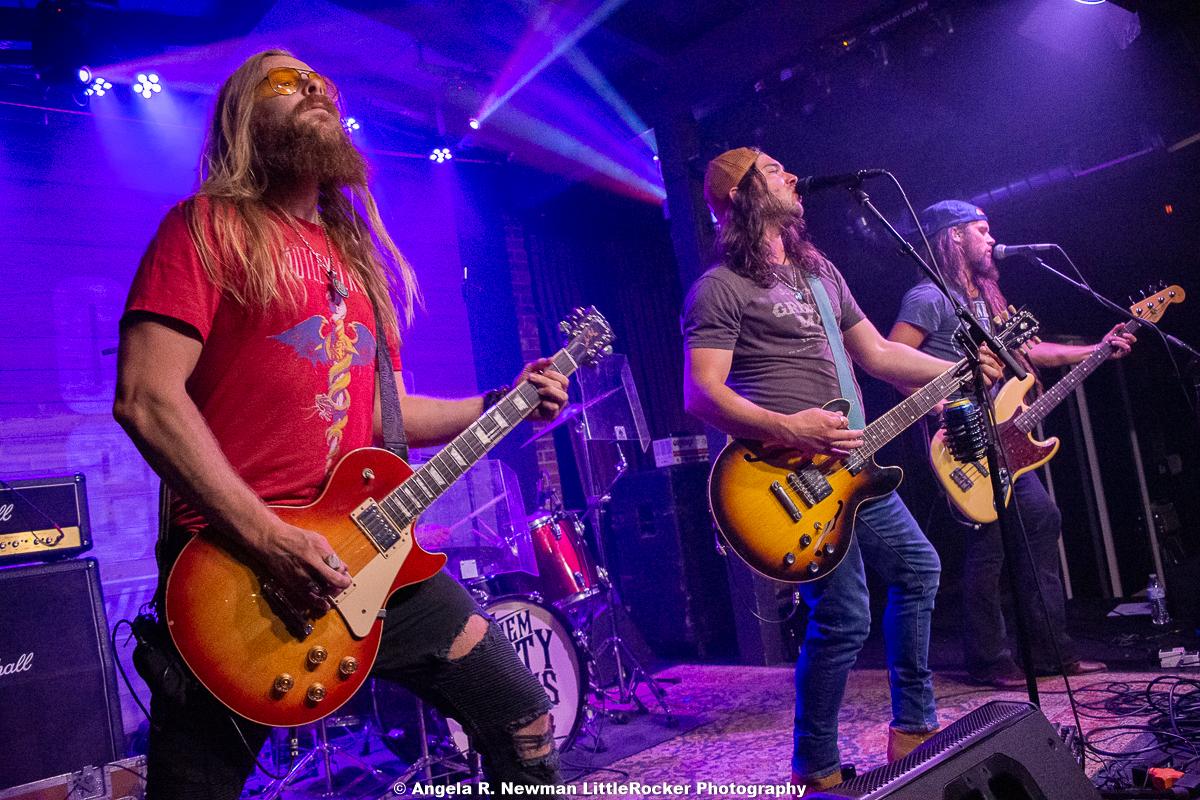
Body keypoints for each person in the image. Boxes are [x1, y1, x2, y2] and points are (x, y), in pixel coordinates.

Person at [113, 49, 569, 799]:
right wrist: (268, 538)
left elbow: (385, 417)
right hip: (236, 577)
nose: (313, 90)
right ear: (243, 115)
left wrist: (501, 402)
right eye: (286, 83)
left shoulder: (355, 264)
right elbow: (145, 396)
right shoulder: (204, 228)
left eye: (321, 83)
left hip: (366, 558)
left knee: (523, 715)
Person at [680, 149, 1002, 790]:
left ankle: (914, 727)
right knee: (845, 615)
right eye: (773, 170)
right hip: (786, 474)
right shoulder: (719, 287)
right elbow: (701, 393)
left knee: (918, 569)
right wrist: (787, 426)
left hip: (855, 463)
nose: (791, 175)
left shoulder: (818, 271)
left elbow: (877, 353)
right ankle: (816, 765)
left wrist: (959, 369)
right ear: (742, 195)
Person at [888, 199, 1133, 687]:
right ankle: (990, 660)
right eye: (981, 230)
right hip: (959, 440)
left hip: (1000, 435)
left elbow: (1029, 350)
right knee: (990, 543)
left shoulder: (985, 298)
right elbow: (892, 360)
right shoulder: (927, 297)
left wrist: (1097, 348)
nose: (992, 239)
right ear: (954, 236)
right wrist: (939, 406)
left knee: (1039, 520)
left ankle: (1048, 653)